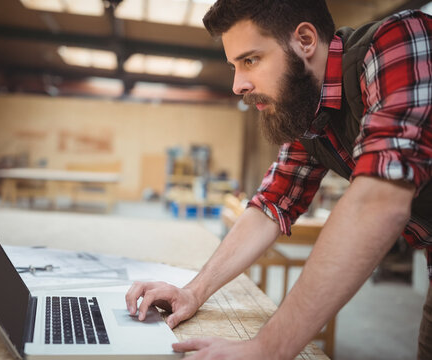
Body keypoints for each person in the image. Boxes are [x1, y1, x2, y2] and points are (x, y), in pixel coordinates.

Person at [125, 1, 432, 359]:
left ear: (304, 40)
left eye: (250, 60)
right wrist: (193, 291)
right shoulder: (309, 116)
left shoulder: (398, 42)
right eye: (234, 66)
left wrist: (268, 347)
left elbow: (377, 202)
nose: (238, 85)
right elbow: (272, 204)